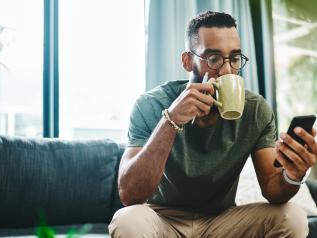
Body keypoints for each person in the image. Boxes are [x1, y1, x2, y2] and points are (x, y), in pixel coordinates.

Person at [109, 11, 316, 237]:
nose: (226, 71)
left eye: (234, 59)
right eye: (214, 59)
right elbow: (129, 195)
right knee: (127, 220)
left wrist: (293, 175)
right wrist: (171, 120)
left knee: (292, 217)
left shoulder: (255, 110)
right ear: (188, 61)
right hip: (162, 219)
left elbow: (273, 190)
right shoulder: (150, 105)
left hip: (222, 221)